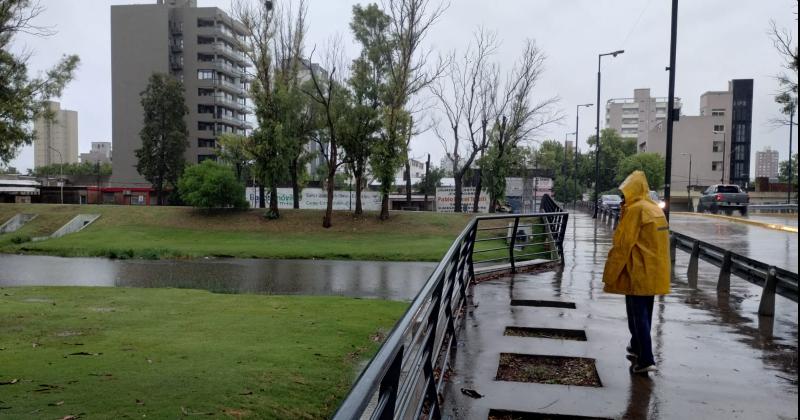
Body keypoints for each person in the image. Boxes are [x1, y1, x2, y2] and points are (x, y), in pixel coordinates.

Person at [602, 171, 670, 374]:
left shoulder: (636, 211)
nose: (623, 197)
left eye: (624, 193)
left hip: (638, 270)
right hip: (655, 271)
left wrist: (610, 274)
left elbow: (623, 245)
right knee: (646, 313)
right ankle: (636, 345)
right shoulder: (653, 209)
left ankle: (646, 358)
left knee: (636, 314)